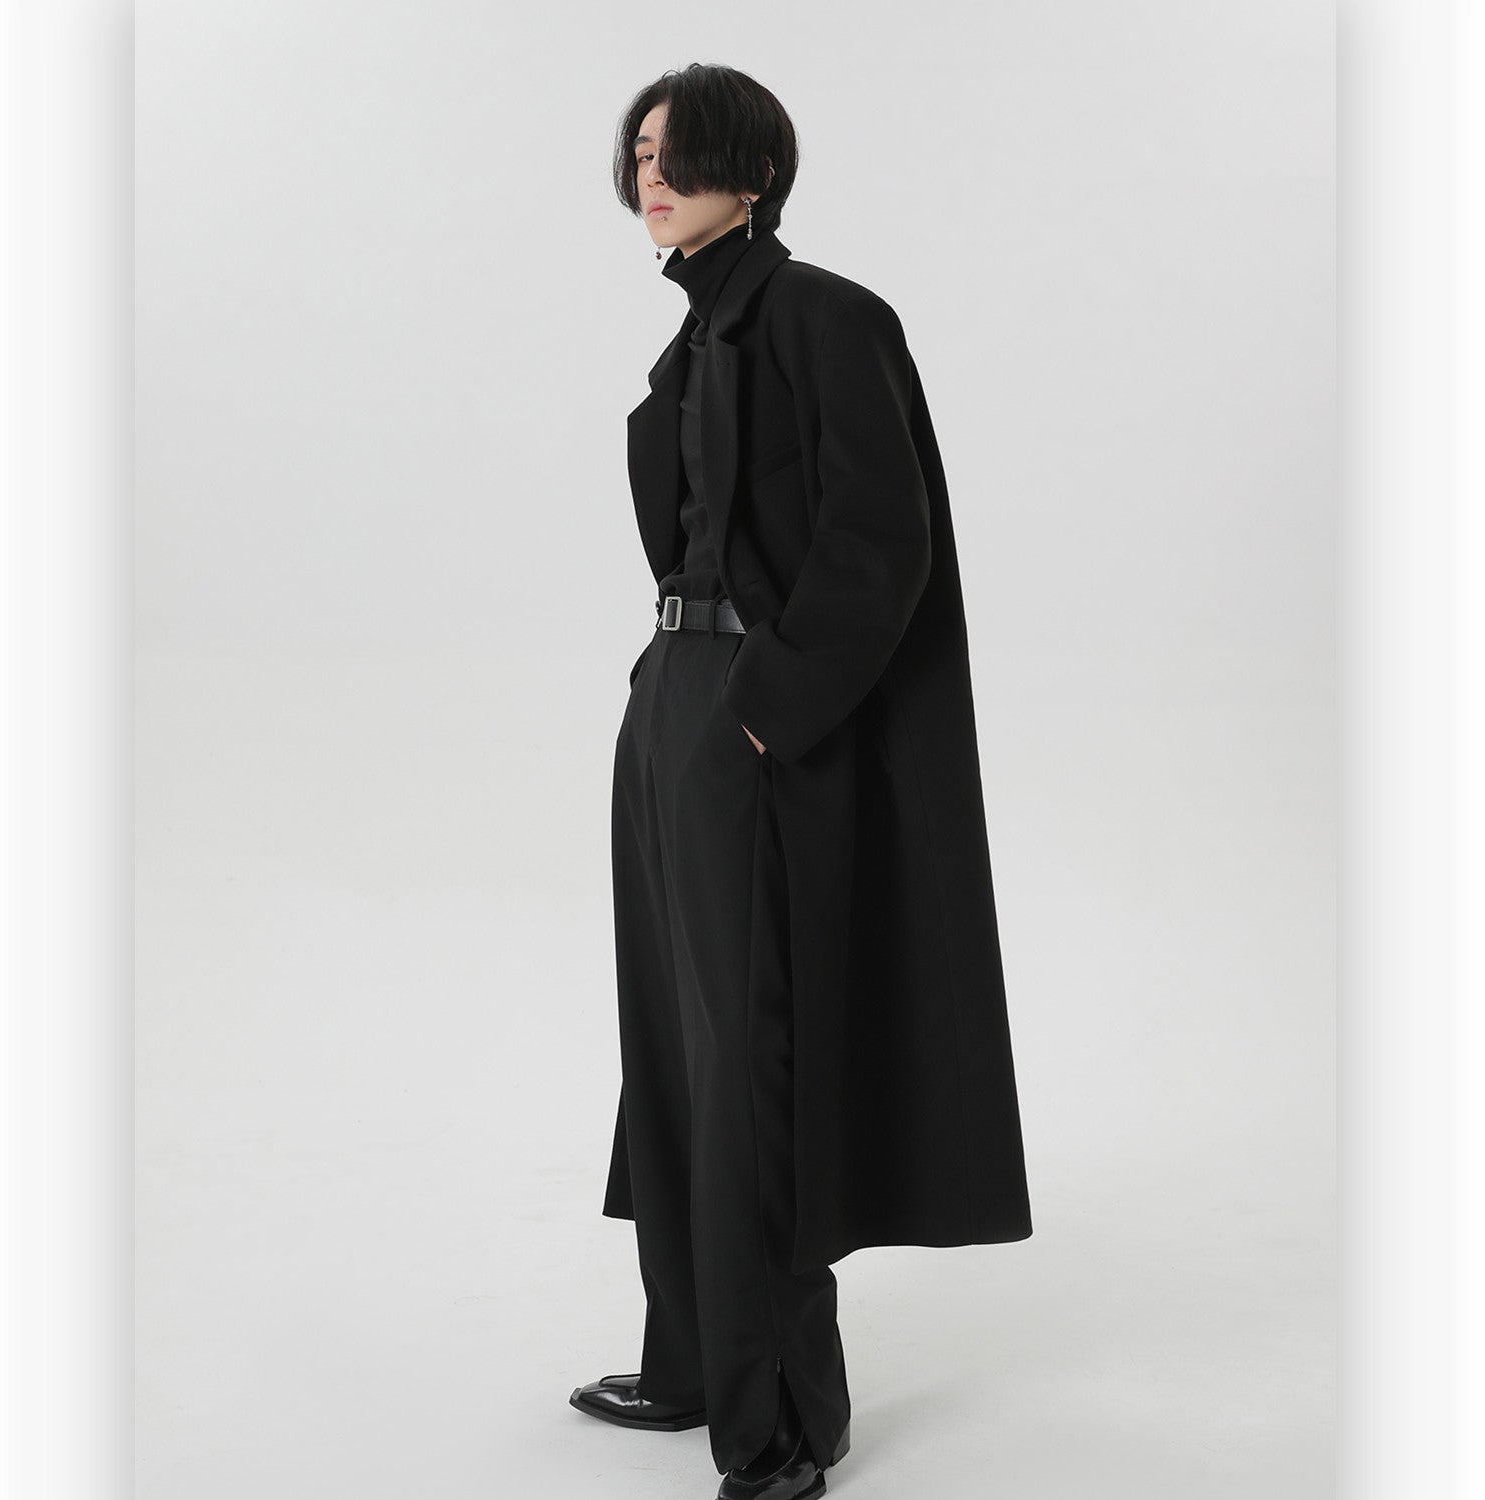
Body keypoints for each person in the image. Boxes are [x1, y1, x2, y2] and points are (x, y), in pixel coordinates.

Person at [569, 63, 1033, 1500]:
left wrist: (762, 716)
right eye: (640, 154)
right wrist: (672, 701)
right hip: (672, 700)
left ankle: (779, 1421)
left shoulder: (826, 316)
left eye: (680, 152)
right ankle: (693, 1360)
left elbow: (882, 539)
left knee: (750, 1067)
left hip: (750, 715)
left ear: (755, 171)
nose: (652, 175)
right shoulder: (696, 335)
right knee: (673, 1050)